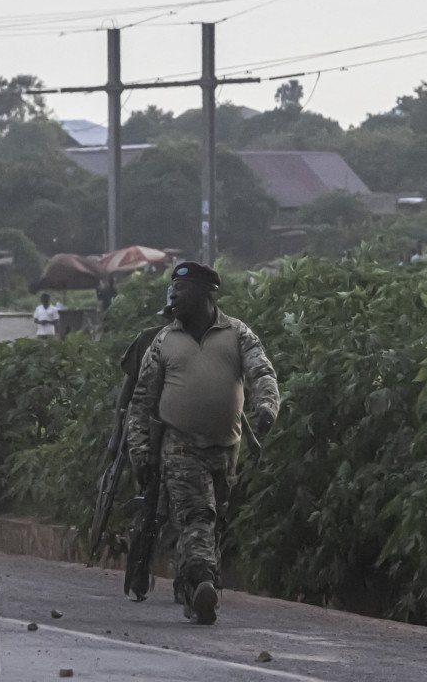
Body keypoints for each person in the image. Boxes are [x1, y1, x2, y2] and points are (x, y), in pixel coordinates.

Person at [126, 262, 280, 625]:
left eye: (183, 289)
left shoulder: (237, 333)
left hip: (226, 447)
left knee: (214, 521)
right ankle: (203, 581)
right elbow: (142, 401)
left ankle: (191, 589)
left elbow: (261, 371)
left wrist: (267, 406)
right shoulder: (164, 341)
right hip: (179, 444)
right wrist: (141, 452)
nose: (174, 296)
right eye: (172, 290)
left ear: (207, 294)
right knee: (198, 514)